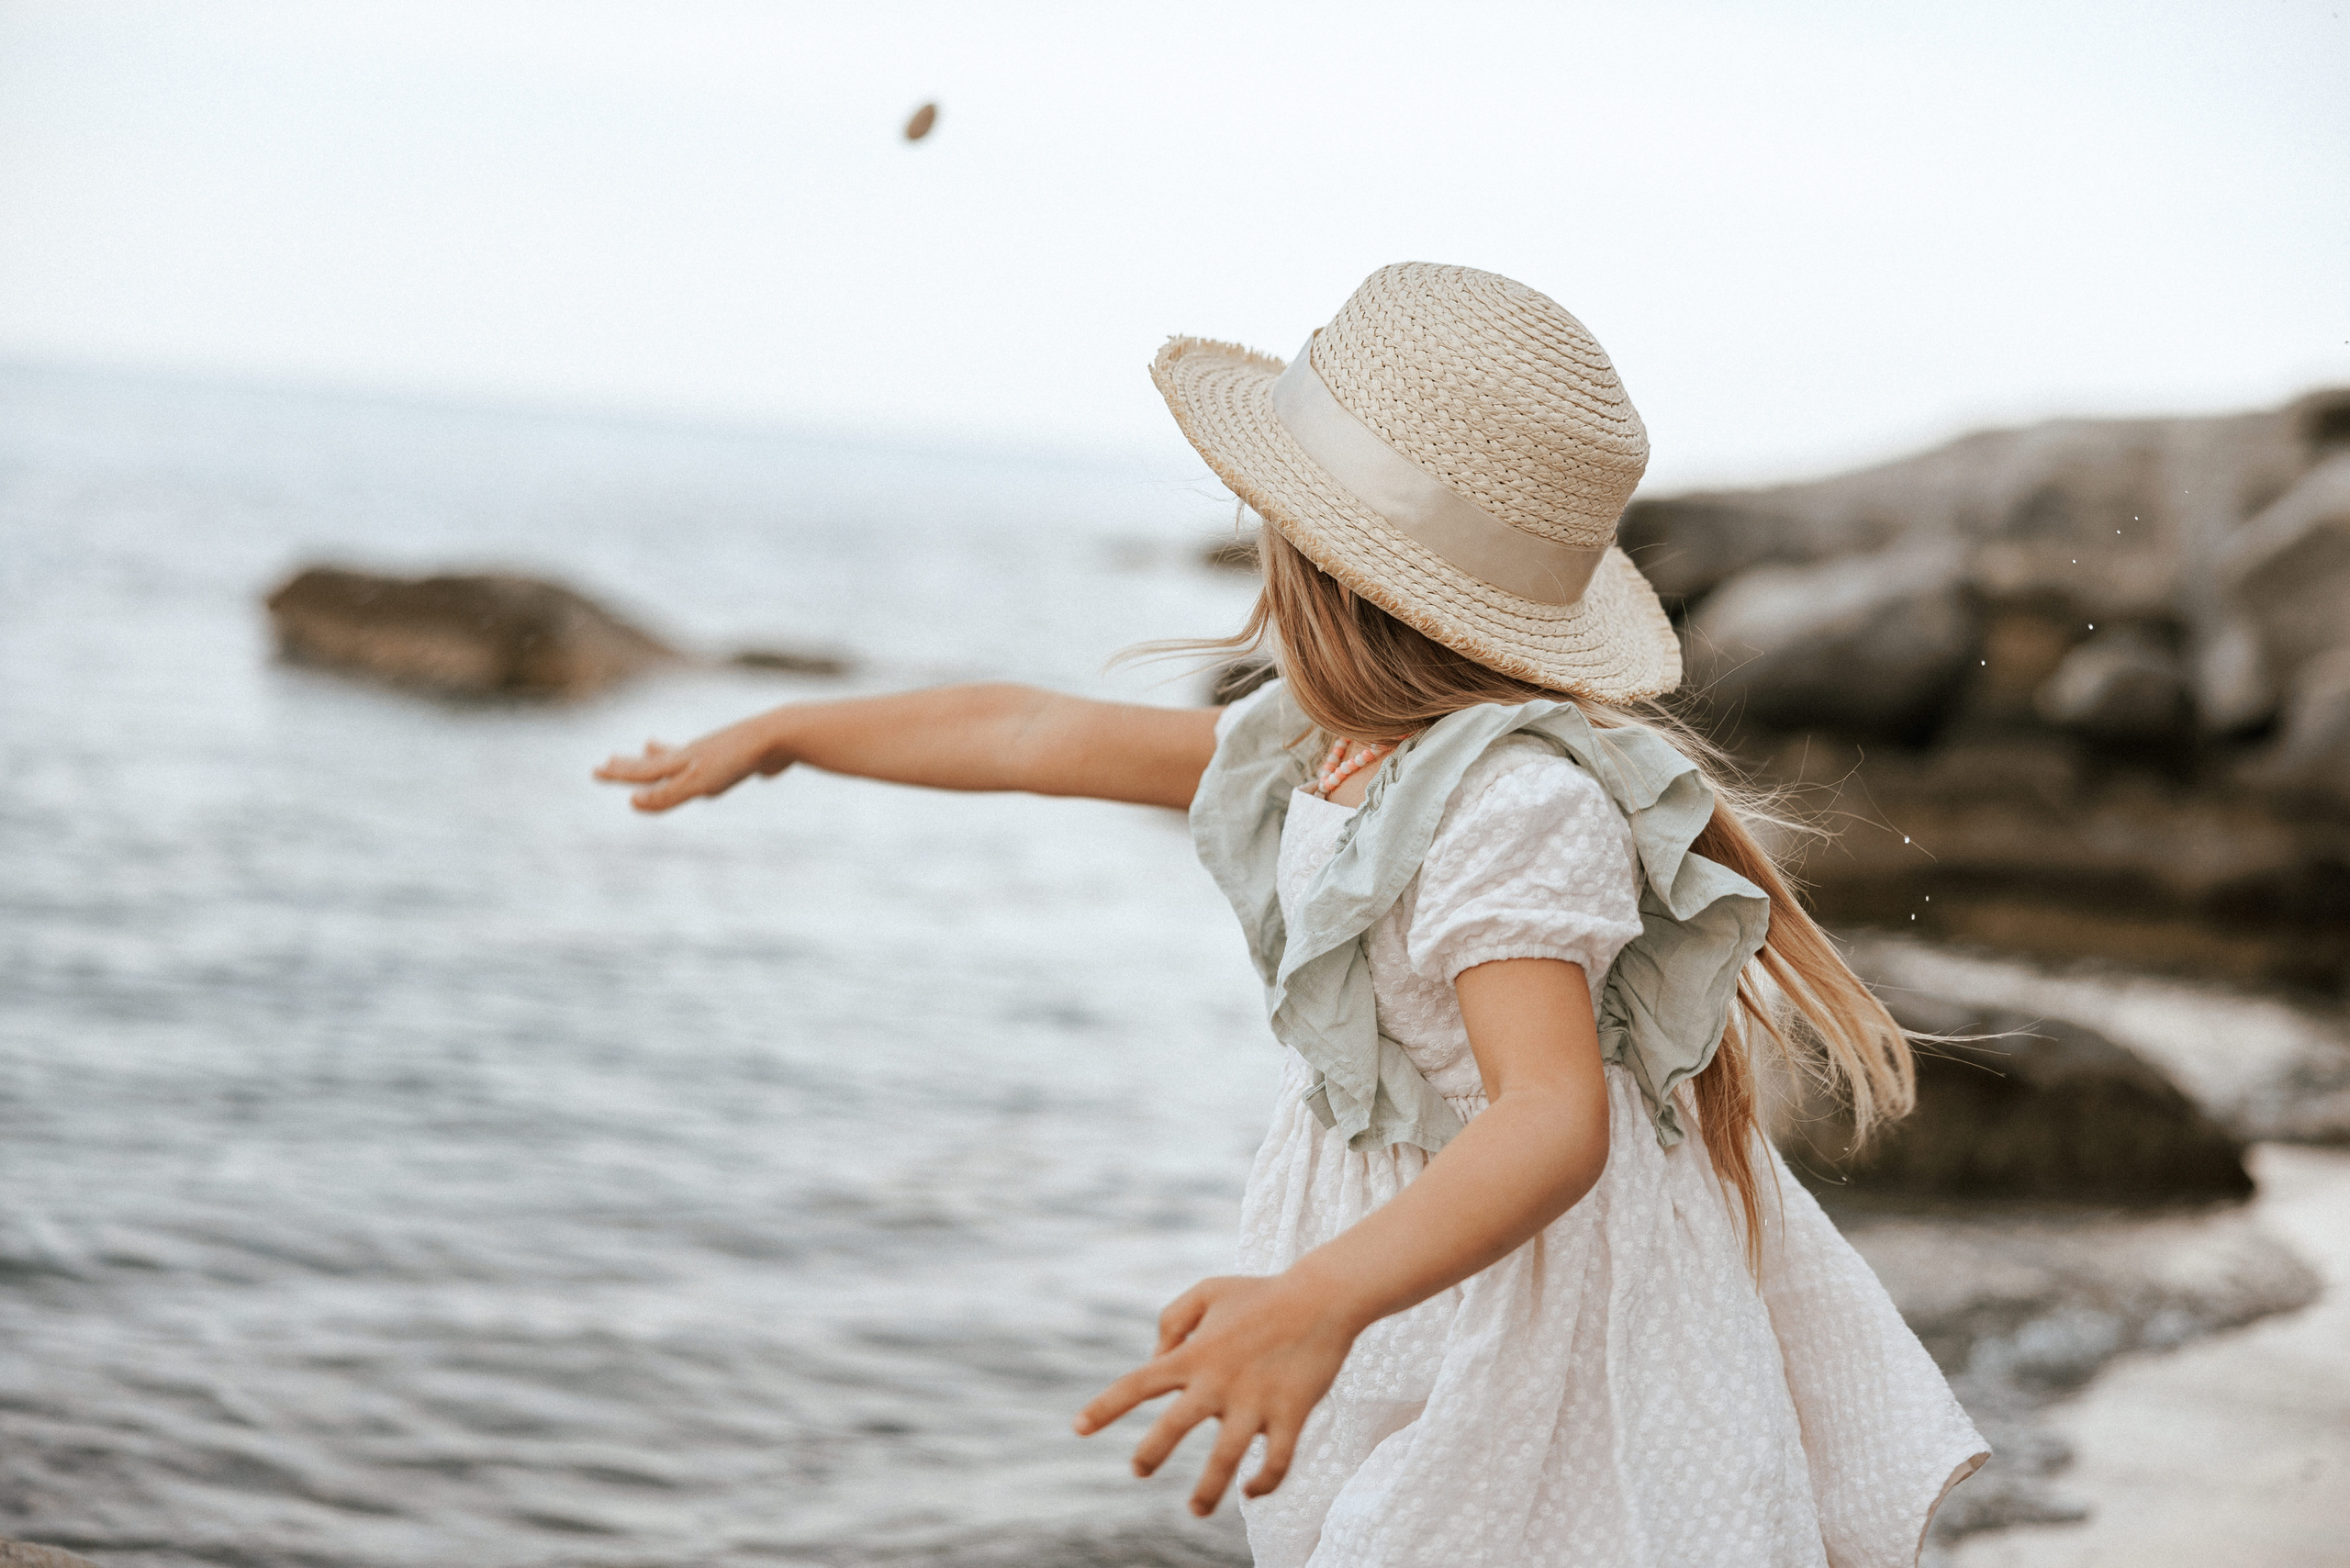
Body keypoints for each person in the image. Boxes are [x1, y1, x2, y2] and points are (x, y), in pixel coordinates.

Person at [596, 263, 1986, 1567]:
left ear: (1311, 558)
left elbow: (1548, 1116)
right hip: (1417, 1253)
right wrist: (790, 730)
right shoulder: (1319, 745)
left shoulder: (1510, 805)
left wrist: (1317, 1301)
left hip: (1528, 1287)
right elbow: (1025, 729)